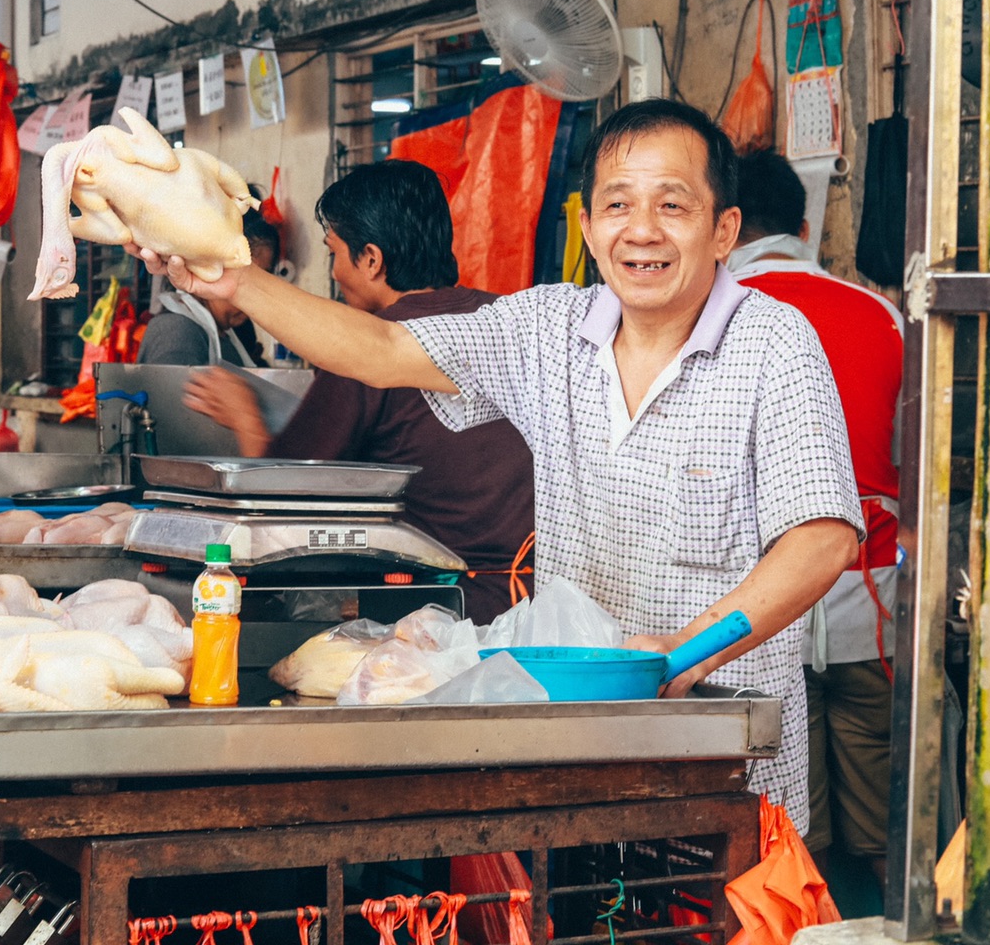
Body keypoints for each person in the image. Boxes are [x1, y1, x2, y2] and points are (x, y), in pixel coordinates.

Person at [139, 100, 862, 829]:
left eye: (672, 204)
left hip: (723, 755)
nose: (642, 230)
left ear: (723, 230)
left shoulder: (772, 342)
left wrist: (687, 653)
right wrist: (234, 281)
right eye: (619, 204)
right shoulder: (548, 329)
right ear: (588, 226)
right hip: (572, 752)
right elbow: (384, 352)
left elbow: (824, 537)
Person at [183, 162, 537, 623]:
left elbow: (286, 501)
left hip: (433, 620)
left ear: (371, 259)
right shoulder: (505, 321)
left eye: (334, 253)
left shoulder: (363, 349)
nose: (333, 271)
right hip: (543, 604)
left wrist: (245, 415)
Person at [730, 151, 904, 875]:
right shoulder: (882, 314)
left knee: (787, 833)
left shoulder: (716, 317)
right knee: (881, 840)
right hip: (873, 610)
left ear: (723, 224)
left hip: (759, 622)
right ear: (805, 226)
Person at [137, 211, 281, 367]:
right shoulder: (176, 331)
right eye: (251, 280)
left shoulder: (225, 333)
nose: (257, 294)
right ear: (209, 268)